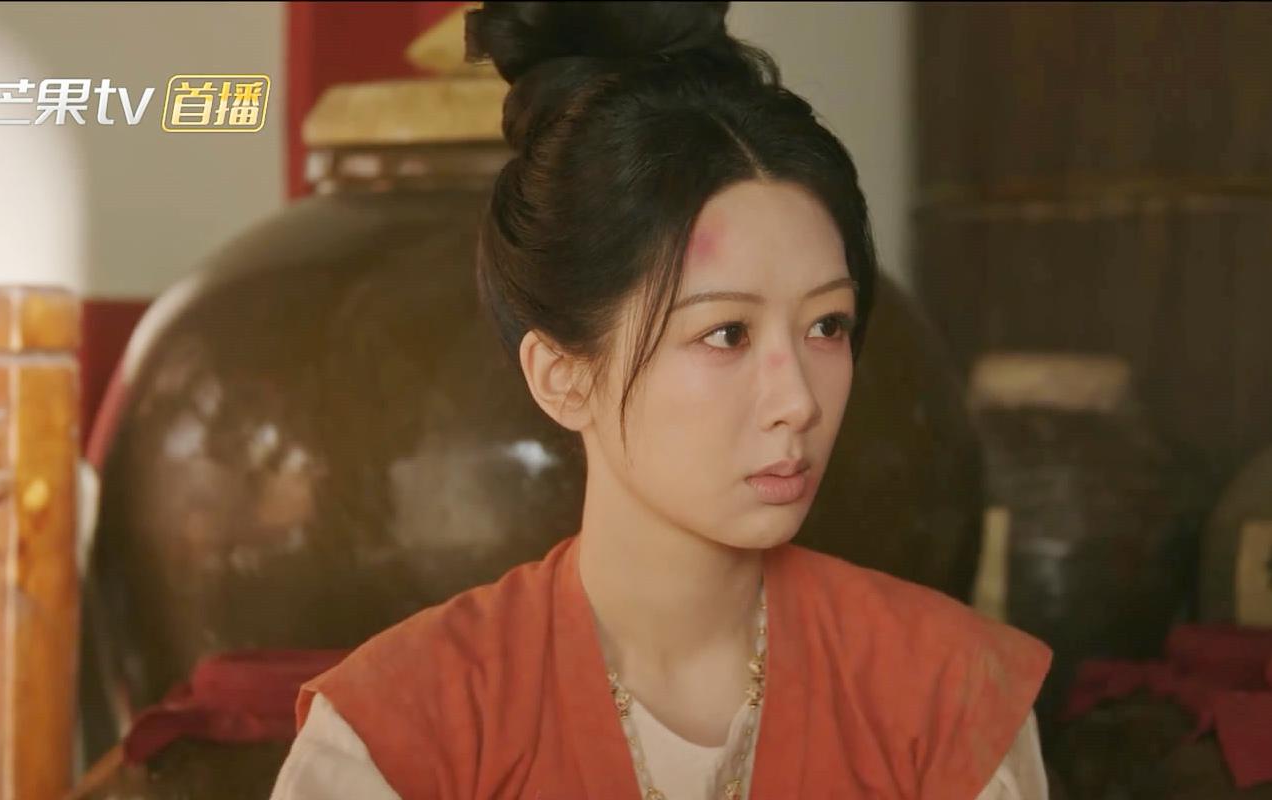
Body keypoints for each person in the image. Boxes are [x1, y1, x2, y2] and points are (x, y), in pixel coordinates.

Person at [269, 3, 1052, 798]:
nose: (798, 402)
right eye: (727, 334)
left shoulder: (947, 697)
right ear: (562, 375)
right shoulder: (402, 733)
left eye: (827, 325)